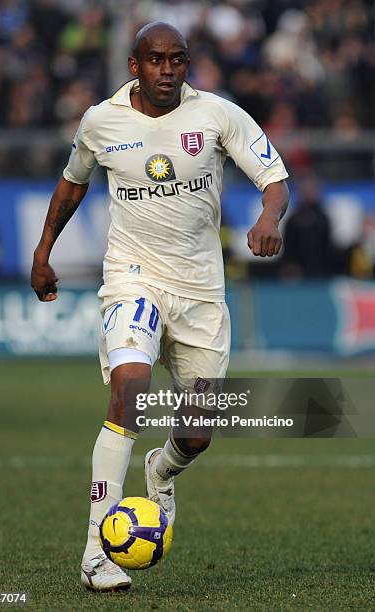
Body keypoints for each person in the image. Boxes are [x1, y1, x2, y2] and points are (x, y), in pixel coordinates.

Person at [31, 22, 289, 592]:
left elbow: (274, 177)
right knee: (129, 392)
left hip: (200, 292)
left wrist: (269, 217)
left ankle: (162, 468)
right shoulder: (102, 120)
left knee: (196, 433)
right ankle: (96, 549)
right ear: (134, 65)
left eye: (177, 60)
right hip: (133, 279)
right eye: (155, 59)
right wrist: (43, 252)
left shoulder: (218, 116)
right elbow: (72, 183)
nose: (167, 70)